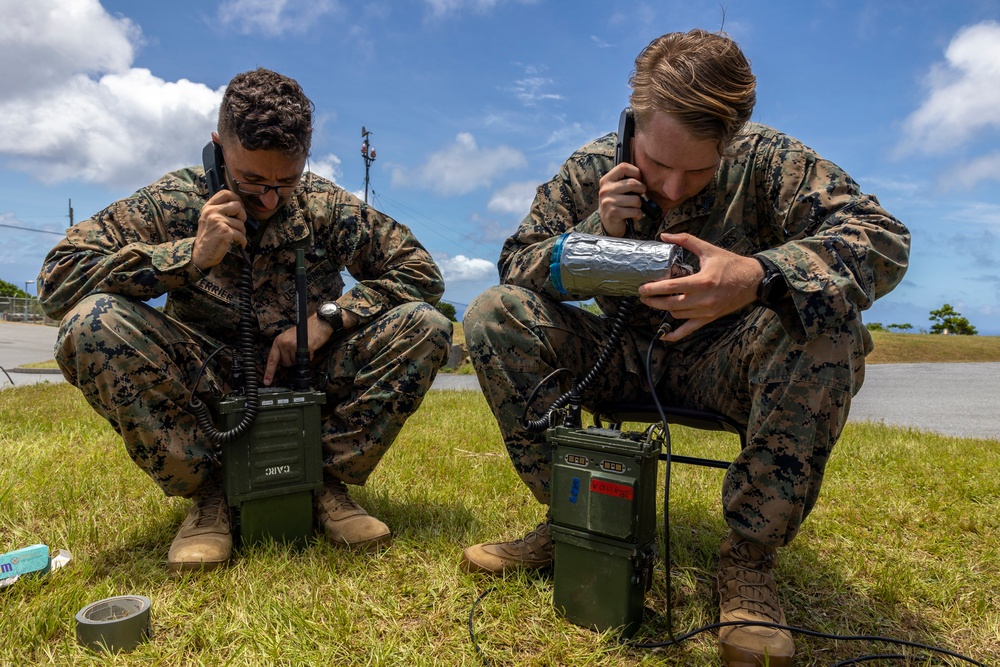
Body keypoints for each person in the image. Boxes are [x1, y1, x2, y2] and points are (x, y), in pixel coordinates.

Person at [459, 30, 909, 666]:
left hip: (727, 363)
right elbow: (516, 263)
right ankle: (575, 521)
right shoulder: (591, 167)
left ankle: (748, 563)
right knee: (494, 316)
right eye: (655, 164)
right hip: (619, 357)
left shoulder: (771, 160)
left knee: (830, 326)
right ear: (632, 123)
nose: (670, 189)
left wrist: (757, 276)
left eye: (697, 171)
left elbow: (883, 240)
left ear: (731, 141)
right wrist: (595, 233)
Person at [37, 68, 451, 572]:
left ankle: (323, 483)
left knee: (425, 325)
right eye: (252, 180)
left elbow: (421, 273)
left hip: (308, 375)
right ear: (218, 147)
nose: (270, 199)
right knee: (90, 324)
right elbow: (58, 279)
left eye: (286, 181)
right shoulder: (174, 199)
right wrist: (189, 255)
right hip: (207, 381)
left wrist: (329, 318)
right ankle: (211, 496)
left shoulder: (327, 205)